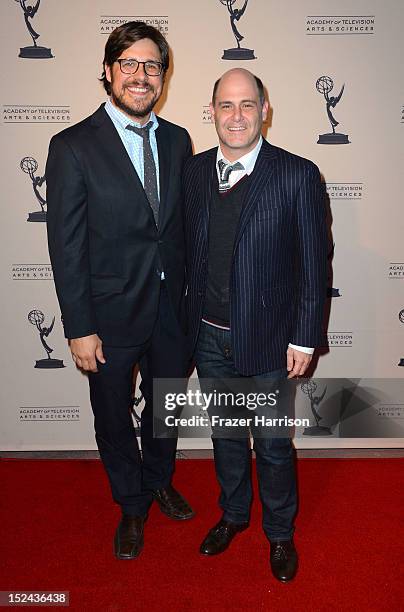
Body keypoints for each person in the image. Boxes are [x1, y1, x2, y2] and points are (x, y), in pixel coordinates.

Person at [46, 21, 194, 561]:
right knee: (112, 415)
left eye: (151, 65)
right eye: (128, 64)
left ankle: (158, 479)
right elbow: (66, 246)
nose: (140, 75)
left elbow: (178, 229)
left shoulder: (179, 141)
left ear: (163, 76)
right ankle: (131, 504)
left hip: (173, 311)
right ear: (108, 73)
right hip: (107, 313)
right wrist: (79, 326)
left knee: (165, 408)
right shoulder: (72, 146)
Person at [183, 68, 327, 581]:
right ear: (212, 112)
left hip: (269, 342)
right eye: (226, 105)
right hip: (208, 337)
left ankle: (280, 534)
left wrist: (305, 336)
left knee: (270, 443)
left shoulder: (296, 174)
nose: (237, 115)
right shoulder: (194, 172)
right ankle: (234, 516)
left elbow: (315, 264)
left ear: (265, 110)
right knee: (224, 437)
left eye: (248, 104)